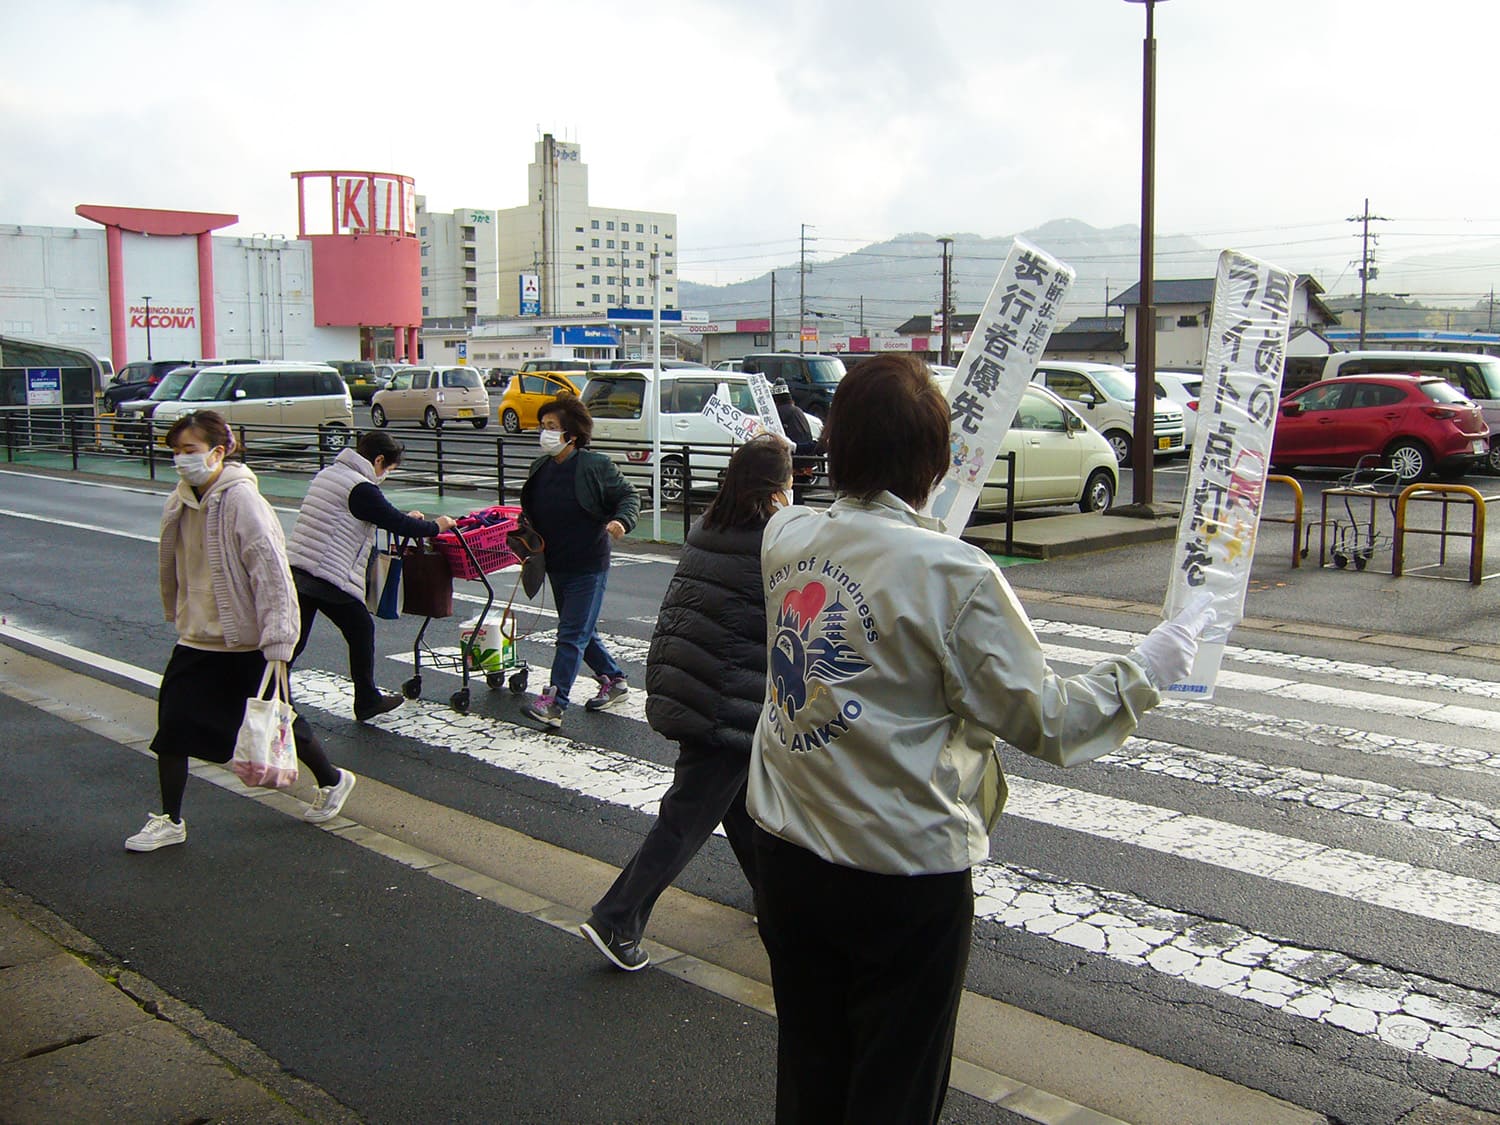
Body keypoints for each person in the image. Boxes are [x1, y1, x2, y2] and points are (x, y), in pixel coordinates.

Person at [747, 354, 1214, 1123]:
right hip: (901, 874)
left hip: (788, 856)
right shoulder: (955, 574)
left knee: (810, 1067)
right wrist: (1148, 666)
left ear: (836, 447)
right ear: (936, 460)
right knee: (894, 1087)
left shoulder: (786, 536)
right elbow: (1050, 719)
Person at [580, 436, 793, 971]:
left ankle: (776, 905)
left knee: (741, 806)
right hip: (726, 700)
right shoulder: (771, 541)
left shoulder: (712, 526)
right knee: (685, 818)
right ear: (775, 490)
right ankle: (616, 918)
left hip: (695, 683)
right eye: (789, 481)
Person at [127, 410, 358, 853]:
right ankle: (170, 819)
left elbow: (272, 574)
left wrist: (279, 642)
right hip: (196, 636)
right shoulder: (180, 499)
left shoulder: (242, 501)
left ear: (218, 452)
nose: (181, 460)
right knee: (172, 726)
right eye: (175, 452)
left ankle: (331, 779)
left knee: (276, 720)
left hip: (247, 639)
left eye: (189, 451)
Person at [286, 431, 456, 722]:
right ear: (378, 460)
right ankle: (366, 700)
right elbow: (392, 520)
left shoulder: (331, 474)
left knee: (294, 640)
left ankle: (269, 693)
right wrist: (435, 526)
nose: (386, 474)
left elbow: (375, 514)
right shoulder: (361, 488)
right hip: (327, 572)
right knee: (360, 629)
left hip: (300, 566)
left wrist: (406, 518)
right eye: (388, 469)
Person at [519, 394, 640, 730]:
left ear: (571, 434)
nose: (545, 433)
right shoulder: (540, 468)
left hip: (588, 562)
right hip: (555, 563)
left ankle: (554, 704)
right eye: (543, 426)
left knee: (571, 633)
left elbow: (630, 495)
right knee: (581, 630)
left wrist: (621, 521)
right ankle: (614, 680)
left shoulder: (595, 465)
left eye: (552, 427)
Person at [770, 379, 820, 502]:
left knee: (792, 496)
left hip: (793, 463)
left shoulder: (779, 414)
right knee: (796, 494)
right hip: (806, 462)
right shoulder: (797, 411)